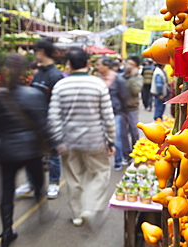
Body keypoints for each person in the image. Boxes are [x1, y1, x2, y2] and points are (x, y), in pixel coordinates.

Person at [0, 54, 64, 247]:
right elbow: (43, 125)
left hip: (6, 151)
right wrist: (55, 144)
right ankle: (43, 213)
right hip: (30, 151)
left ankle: (6, 233)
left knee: (7, 192)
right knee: (38, 184)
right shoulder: (33, 94)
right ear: (25, 71)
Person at [48, 47, 115, 227]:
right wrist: (111, 140)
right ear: (87, 64)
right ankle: (90, 206)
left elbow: (53, 118)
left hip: (69, 143)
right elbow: (108, 117)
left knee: (74, 178)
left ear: (68, 65)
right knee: (100, 173)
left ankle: (77, 215)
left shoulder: (60, 86)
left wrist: (58, 141)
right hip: (95, 141)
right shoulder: (98, 84)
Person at [15, 38, 63, 199]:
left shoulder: (55, 75)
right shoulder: (38, 74)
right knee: (31, 154)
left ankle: (54, 183)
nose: (34, 54)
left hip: (50, 122)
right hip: (33, 122)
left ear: (42, 52)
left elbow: (58, 102)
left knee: (53, 154)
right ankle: (31, 183)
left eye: (35, 51)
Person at [94, 56, 128, 171]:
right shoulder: (98, 80)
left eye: (98, 65)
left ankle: (118, 161)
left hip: (116, 113)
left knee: (116, 137)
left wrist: (122, 111)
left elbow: (124, 97)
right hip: (101, 113)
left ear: (106, 66)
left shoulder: (118, 79)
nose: (96, 67)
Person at [121, 56, 143, 165]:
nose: (128, 66)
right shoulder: (121, 77)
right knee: (123, 133)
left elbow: (135, 91)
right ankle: (126, 155)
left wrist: (133, 77)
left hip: (132, 108)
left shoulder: (138, 78)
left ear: (136, 67)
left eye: (131, 64)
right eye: (127, 63)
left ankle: (136, 153)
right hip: (120, 109)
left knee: (134, 131)